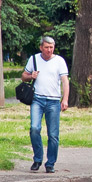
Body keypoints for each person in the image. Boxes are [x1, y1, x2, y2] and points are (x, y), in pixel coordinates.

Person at [21, 36, 69, 173]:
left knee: (53, 134)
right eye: (46, 47)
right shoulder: (34, 59)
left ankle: (51, 163)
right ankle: (37, 158)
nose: (49, 50)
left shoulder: (59, 61)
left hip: (53, 101)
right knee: (34, 128)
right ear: (41, 47)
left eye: (51, 47)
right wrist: (31, 76)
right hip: (37, 99)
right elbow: (24, 76)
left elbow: (65, 81)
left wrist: (65, 99)